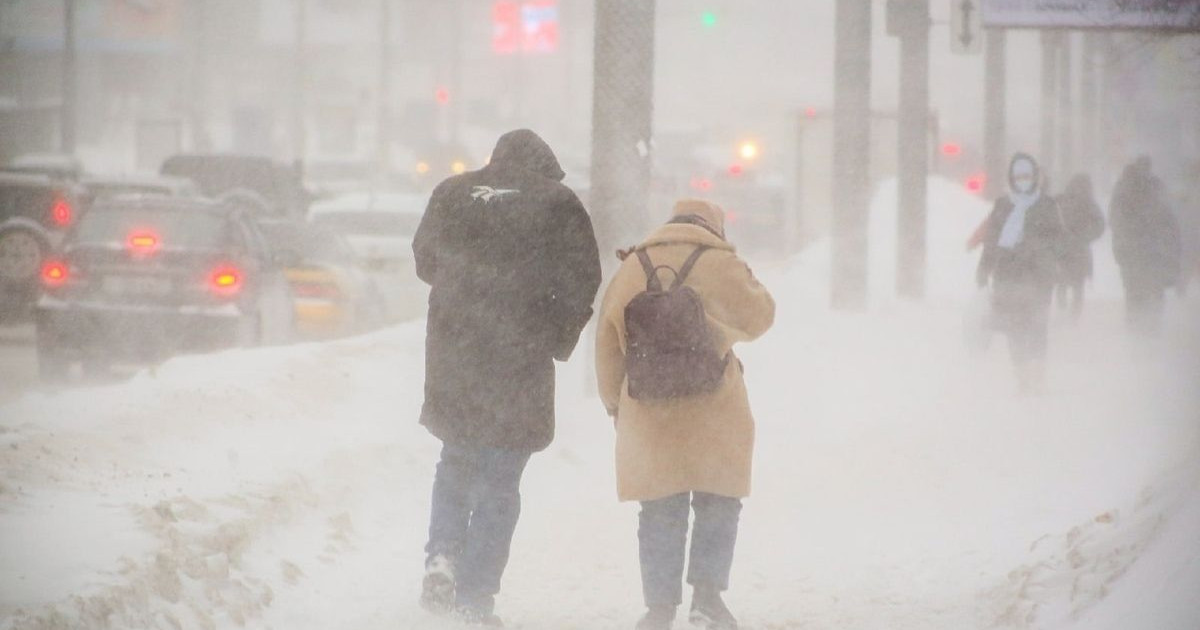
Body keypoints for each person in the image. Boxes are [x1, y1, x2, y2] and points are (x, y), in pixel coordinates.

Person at [413, 129, 601, 625]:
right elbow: (583, 279)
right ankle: (475, 596)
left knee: (456, 459)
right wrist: (553, 335)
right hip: (518, 359)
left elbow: (425, 262)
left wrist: (465, 296)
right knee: (500, 477)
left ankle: (442, 558)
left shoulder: (452, 192)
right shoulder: (557, 202)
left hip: (455, 352)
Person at [595, 199, 775, 630]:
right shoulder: (720, 263)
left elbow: (607, 341)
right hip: (714, 406)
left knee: (660, 507)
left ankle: (659, 608)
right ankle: (708, 600)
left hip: (650, 408)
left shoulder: (635, 264)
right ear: (714, 225)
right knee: (717, 500)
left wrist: (615, 405)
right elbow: (762, 315)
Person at [975, 153, 1066, 393]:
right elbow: (992, 240)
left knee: (1037, 324)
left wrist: (1042, 253)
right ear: (1012, 178)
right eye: (1018, 176)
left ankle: (1037, 371)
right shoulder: (1003, 205)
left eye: (1027, 175)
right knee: (1013, 326)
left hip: (1039, 277)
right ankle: (1021, 374)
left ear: (1035, 177)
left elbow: (1059, 239)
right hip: (1007, 276)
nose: (1023, 180)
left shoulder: (1047, 205)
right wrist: (984, 269)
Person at [1109, 156, 1183, 335]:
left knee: (1136, 293)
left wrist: (1121, 246)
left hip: (1136, 253)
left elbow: (1115, 222)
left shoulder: (1124, 189)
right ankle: (1149, 329)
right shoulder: (1154, 187)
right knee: (1152, 291)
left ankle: (1138, 330)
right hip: (1150, 252)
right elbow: (1169, 220)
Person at [1054, 174, 1106, 321]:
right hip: (1078, 250)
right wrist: (1086, 236)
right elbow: (1100, 225)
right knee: (1077, 285)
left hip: (1064, 249)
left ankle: (1063, 312)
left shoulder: (1062, 199)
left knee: (1063, 281)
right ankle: (1073, 317)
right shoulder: (1088, 204)